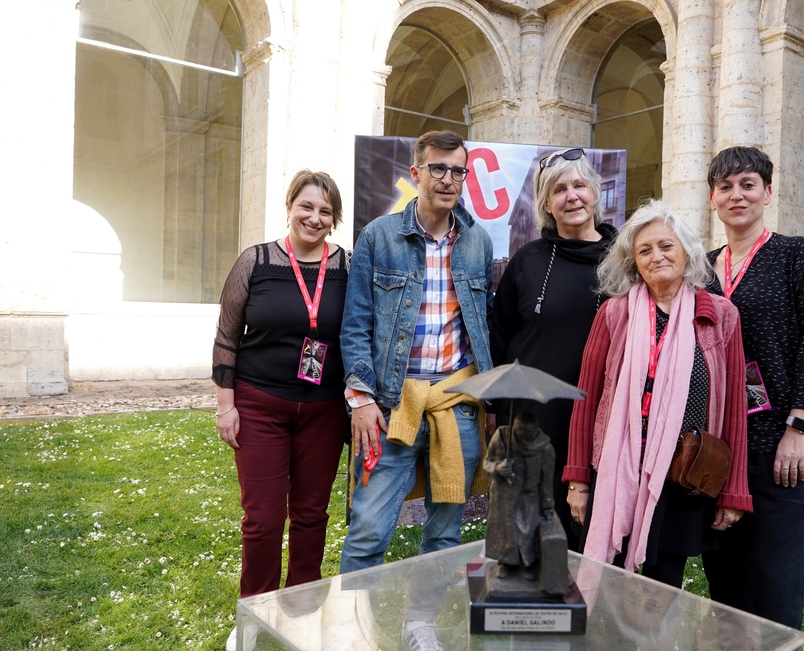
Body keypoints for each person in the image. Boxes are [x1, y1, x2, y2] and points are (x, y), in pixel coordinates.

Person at [338, 130, 493, 650]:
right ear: (416, 174)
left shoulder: (477, 241)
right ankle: (355, 630)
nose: (449, 180)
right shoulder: (379, 237)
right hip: (391, 408)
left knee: (446, 533)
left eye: (458, 171)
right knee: (368, 530)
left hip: (455, 408)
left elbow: (481, 325)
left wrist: (484, 400)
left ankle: (418, 625)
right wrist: (360, 400)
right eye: (439, 169)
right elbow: (356, 325)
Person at [562, 198, 752, 589]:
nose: (656, 256)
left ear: (687, 252)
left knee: (662, 593)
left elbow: (734, 406)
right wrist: (578, 481)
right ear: (634, 262)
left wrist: (734, 490)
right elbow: (586, 399)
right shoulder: (614, 314)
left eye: (666, 246)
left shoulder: (719, 315)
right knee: (608, 586)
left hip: (683, 476)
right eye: (644, 250)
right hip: (615, 472)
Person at [700, 146, 804, 629]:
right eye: (726, 187)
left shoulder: (797, 255)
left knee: (775, 586)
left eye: (748, 185)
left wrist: (799, 427)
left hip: (782, 446)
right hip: (720, 450)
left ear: (767, 192)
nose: (737, 195)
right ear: (712, 199)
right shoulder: (701, 268)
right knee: (725, 584)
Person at [213, 169, 349, 651]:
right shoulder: (256, 261)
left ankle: (302, 613)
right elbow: (227, 335)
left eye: (325, 211)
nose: (314, 218)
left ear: (334, 220)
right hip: (259, 405)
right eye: (306, 207)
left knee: (312, 516)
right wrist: (225, 405)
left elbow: (357, 335)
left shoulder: (346, 267)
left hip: (324, 409)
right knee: (263, 520)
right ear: (290, 206)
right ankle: (253, 614)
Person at [489, 147, 617, 551]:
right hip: (532, 419)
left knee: (590, 534)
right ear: (546, 203)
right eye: (559, 189)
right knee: (525, 530)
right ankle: (527, 611)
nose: (572, 196)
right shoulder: (527, 260)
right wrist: (496, 412)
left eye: (580, 185)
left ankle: (587, 611)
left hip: (601, 419)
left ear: (594, 193)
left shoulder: (627, 261)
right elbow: (500, 334)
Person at [483, 412, 557, 582]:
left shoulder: (545, 448)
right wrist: (499, 468)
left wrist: (548, 508)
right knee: (504, 529)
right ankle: (506, 562)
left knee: (526, 530)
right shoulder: (502, 436)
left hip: (528, 496)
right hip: (503, 494)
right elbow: (487, 465)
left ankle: (527, 563)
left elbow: (546, 482)